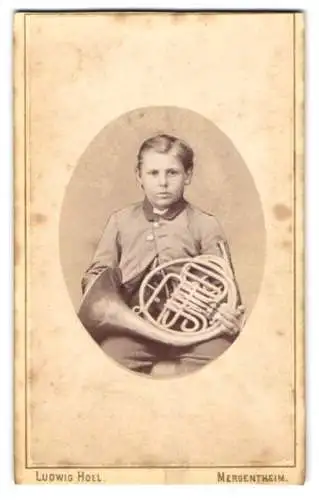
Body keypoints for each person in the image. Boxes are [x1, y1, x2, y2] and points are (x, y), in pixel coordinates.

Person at [78, 134, 244, 375]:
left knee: (222, 363)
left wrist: (226, 313)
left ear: (188, 175)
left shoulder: (205, 224)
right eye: (153, 173)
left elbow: (226, 285)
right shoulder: (120, 221)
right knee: (108, 363)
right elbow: (97, 273)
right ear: (139, 176)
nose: (163, 182)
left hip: (195, 333)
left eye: (172, 173)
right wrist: (98, 286)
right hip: (134, 330)